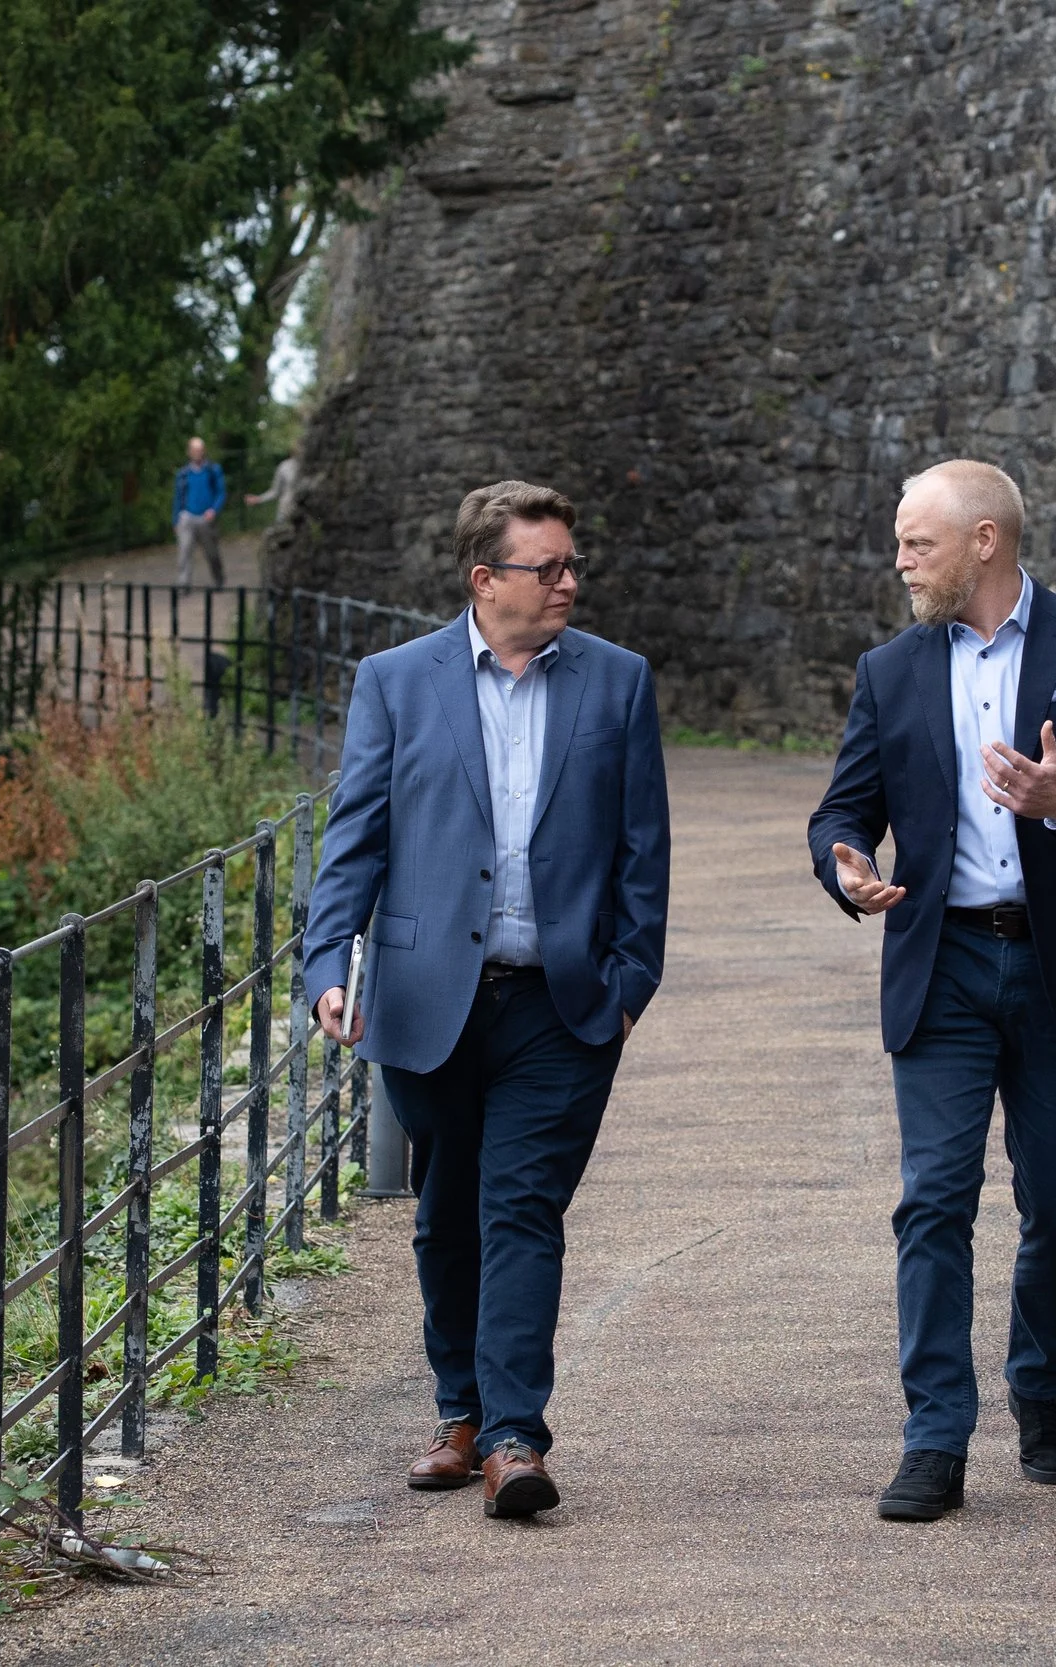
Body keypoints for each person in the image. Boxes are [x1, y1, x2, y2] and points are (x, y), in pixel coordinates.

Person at [807, 459, 1056, 1522]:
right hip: (943, 962)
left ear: (983, 540)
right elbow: (842, 808)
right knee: (932, 1200)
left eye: (915, 543)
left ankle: (1041, 1391)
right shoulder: (889, 669)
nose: (899, 561)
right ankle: (933, 1439)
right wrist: (841, 859)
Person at [303, 479, 669, 1519]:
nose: (567, 583)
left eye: (570, 566)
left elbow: (645, 852)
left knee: (521, 1207)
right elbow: (355, 838)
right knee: (446, 1212)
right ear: (483, 578)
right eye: (544, 567)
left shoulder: (618, 681)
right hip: (427, 998)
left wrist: (630, 984)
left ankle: (515, 1435)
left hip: (562, 1005)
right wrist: (329, 964)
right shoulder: (395, 681)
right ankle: (457, 1413)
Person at [173, 436, 226, 586]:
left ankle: (218, 579)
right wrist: (176, 519)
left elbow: (221, 492)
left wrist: (214, 510)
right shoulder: (183, 474)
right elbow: (178, 497)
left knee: (211, 553)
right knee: (184, 552)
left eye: (200, 450)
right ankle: (184, 583)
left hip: (206, 517)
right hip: (187, 516)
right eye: (194, 450)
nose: (197, 453)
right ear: (189, 452)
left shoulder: (212, 470)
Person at [245, 454, 299, 524]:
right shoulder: (284, 466)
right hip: (286, 510)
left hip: (307, 512)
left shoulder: (313, 467)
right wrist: (258, 499)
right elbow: (275, 492)